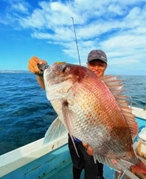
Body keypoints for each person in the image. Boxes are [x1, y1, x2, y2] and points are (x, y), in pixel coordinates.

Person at [28, 49, 108, 179]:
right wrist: (40, 74)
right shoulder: (78, 80)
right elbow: (51, 88)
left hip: (95, 141)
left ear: (106, 67)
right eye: (93, 64)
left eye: (101, 64)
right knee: (76, 165)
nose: (97, 68)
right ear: (87, 65)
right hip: (74, 137)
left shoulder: (108, 88)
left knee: (94, 172)